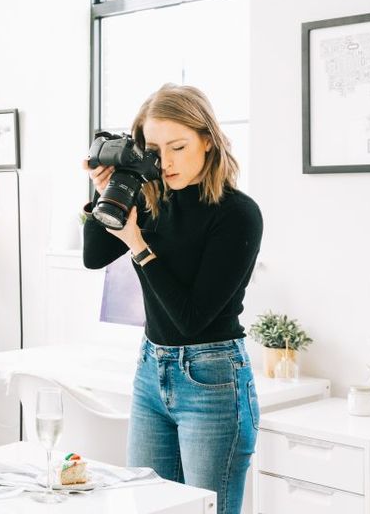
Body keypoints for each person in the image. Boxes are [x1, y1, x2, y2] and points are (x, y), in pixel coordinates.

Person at [81, 83, 263, 514]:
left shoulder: (237, 214)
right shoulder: (149, 200)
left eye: (178, 146)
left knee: (206, 510)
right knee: (148, 506)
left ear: (207, 140)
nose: (165, 162)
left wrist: (139, 246)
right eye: (153, 149)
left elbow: (191, 319)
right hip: (151, 371)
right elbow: (93, 256)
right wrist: (103, 190)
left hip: (213, 380)